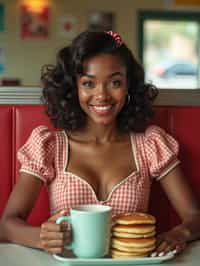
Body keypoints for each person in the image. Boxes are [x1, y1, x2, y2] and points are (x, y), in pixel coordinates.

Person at [0, 30, 200, 257]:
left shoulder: (149, 146)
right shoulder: (50, 146)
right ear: (73, 88)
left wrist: (179, 234)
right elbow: (6, 225)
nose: (102, 95)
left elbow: (195, 217)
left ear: (129, 87)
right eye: (88, 83)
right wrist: (41, 238)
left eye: (115, 82)